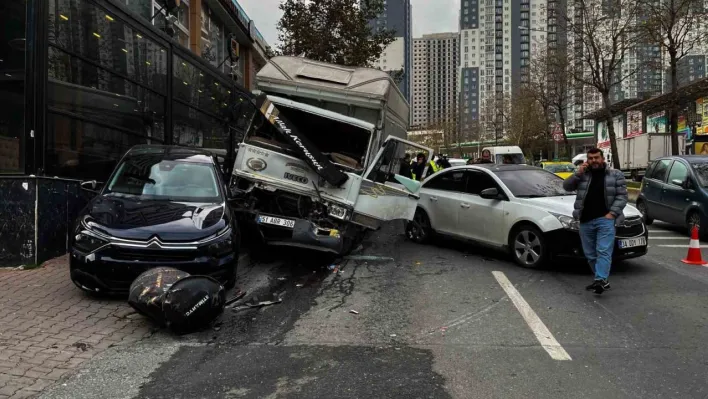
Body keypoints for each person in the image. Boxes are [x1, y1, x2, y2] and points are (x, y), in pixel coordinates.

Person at [563, 148, 628, 294]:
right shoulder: (583, 175)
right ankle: (600, 279)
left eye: (596, 158)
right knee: (590, 254)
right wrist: (578, 173)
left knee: (603, 251)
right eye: (591, 158)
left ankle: (600, 279)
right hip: (585, 220)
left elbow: (622, 196)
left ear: (602, 159)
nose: (594, 161)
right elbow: (566, 187)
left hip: (605, 220)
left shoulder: (615, 174)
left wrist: (612, 214)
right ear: (587, 160)